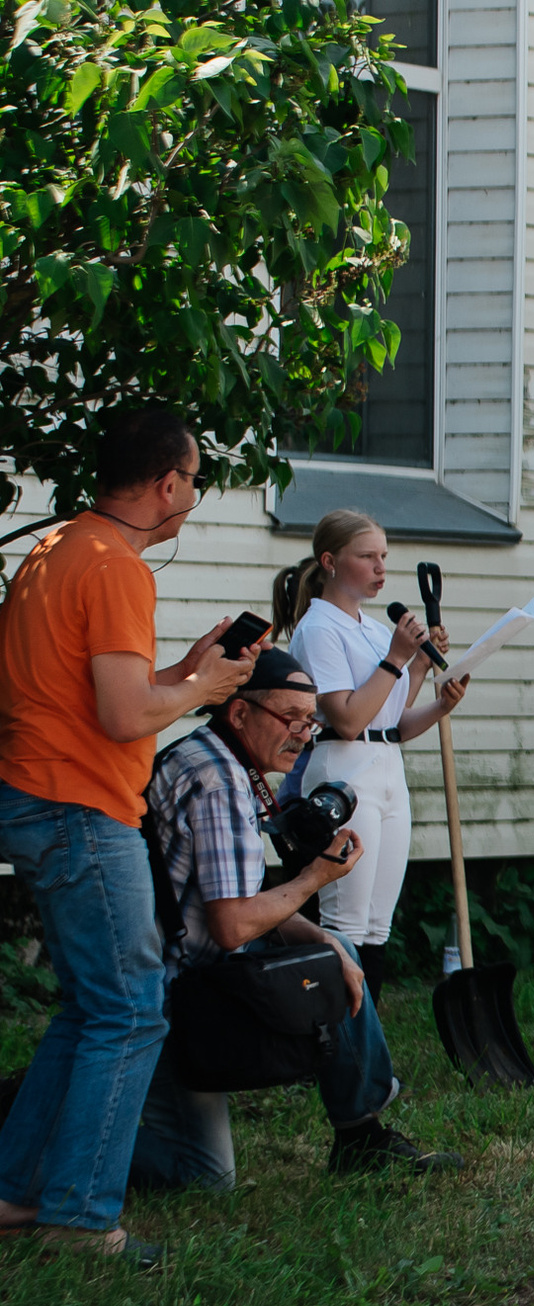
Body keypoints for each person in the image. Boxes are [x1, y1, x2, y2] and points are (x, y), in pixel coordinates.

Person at [0, 408, 258, 1263]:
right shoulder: (115, 568)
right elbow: (119, 717)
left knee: (90, 1006)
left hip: (39, 795)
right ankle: (81, 1219)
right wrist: (204, 690)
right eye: (193, 482)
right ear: (166, 482)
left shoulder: (57, 551)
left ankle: (14, 1190)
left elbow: (95, 693)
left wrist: (186, 673)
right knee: (133, 1010)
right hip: (79, 807)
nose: (191, 500)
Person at [132, 649, 460, 1188]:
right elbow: (233, 926)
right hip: (173, 994)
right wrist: (313, 880)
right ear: (239, 713)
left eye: (311, 722)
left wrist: (327, 942)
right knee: (206, 1176)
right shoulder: (217, 782)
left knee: (337, 952)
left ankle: (361, 1135)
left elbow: (240, 893)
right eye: (291, 719)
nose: (304, 735)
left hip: (196, 970)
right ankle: (50, 1135)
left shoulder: (218, 758)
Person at [270, 508, 467, 1001]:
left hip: (386, 772)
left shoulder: (376, 631)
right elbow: (349, 718)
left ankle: (368, 1049)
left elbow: (392, 723)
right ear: (331, 561)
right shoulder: (318, 629)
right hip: (343, 774)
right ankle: (339, 1049)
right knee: (346, 918)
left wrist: (432, 692)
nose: (381, 568)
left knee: (378, 923)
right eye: (367, 557)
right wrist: (399, 658)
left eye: (384, 557)